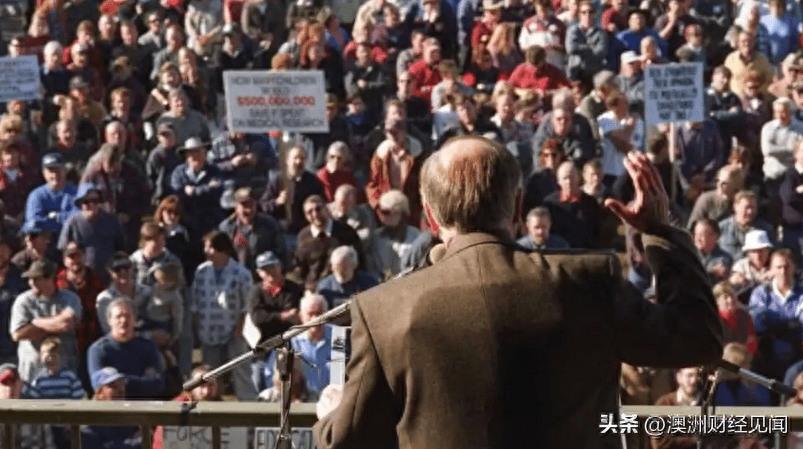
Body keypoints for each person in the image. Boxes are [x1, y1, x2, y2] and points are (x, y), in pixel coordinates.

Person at [313, 137, 722, 448]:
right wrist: (661, 231)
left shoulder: (382, 310)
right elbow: (698, 339)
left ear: (430, 217)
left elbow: (346, 441)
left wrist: (330, 414)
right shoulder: (588, 281)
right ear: (517, 206)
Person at [192, 231, 257, 401]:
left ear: (223, 249)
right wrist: (197, 322)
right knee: (210, 375)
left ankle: (249, 409)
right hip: (208, 330)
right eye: (206, 248)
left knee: (241, 371)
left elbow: (248, 303)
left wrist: (241, 324)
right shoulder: (201, 271)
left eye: (211, 248)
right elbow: (195, 300)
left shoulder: (241, 273)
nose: (207, 251)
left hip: (234, 330)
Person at [10, 259, 82, 383]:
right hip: (31, 376)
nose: (32, 283)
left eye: (37, 279)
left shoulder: (69, 298)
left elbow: (67, 323)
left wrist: (36, 322)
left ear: (50, 279)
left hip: (65, 374)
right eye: (30, 279)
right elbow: (18, 334)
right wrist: (55, 324)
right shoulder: (23, 301)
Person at [87, 299, 165, 398]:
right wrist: (140, 382)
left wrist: (120, 381)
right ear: (109, 319)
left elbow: (157, 385)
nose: (123, 321)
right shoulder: (98, 349)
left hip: (143, 407)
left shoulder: (148, 347)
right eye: (119, 316)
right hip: (111, 407)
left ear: (135, 319)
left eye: (128, 316)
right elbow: (98, 386)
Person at [81, 366, 142, 449]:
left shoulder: (127, 412)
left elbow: (139, 437)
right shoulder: (88, 417)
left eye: (121, 383)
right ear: (99, 392)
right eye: (112, 385)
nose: (120, 389)